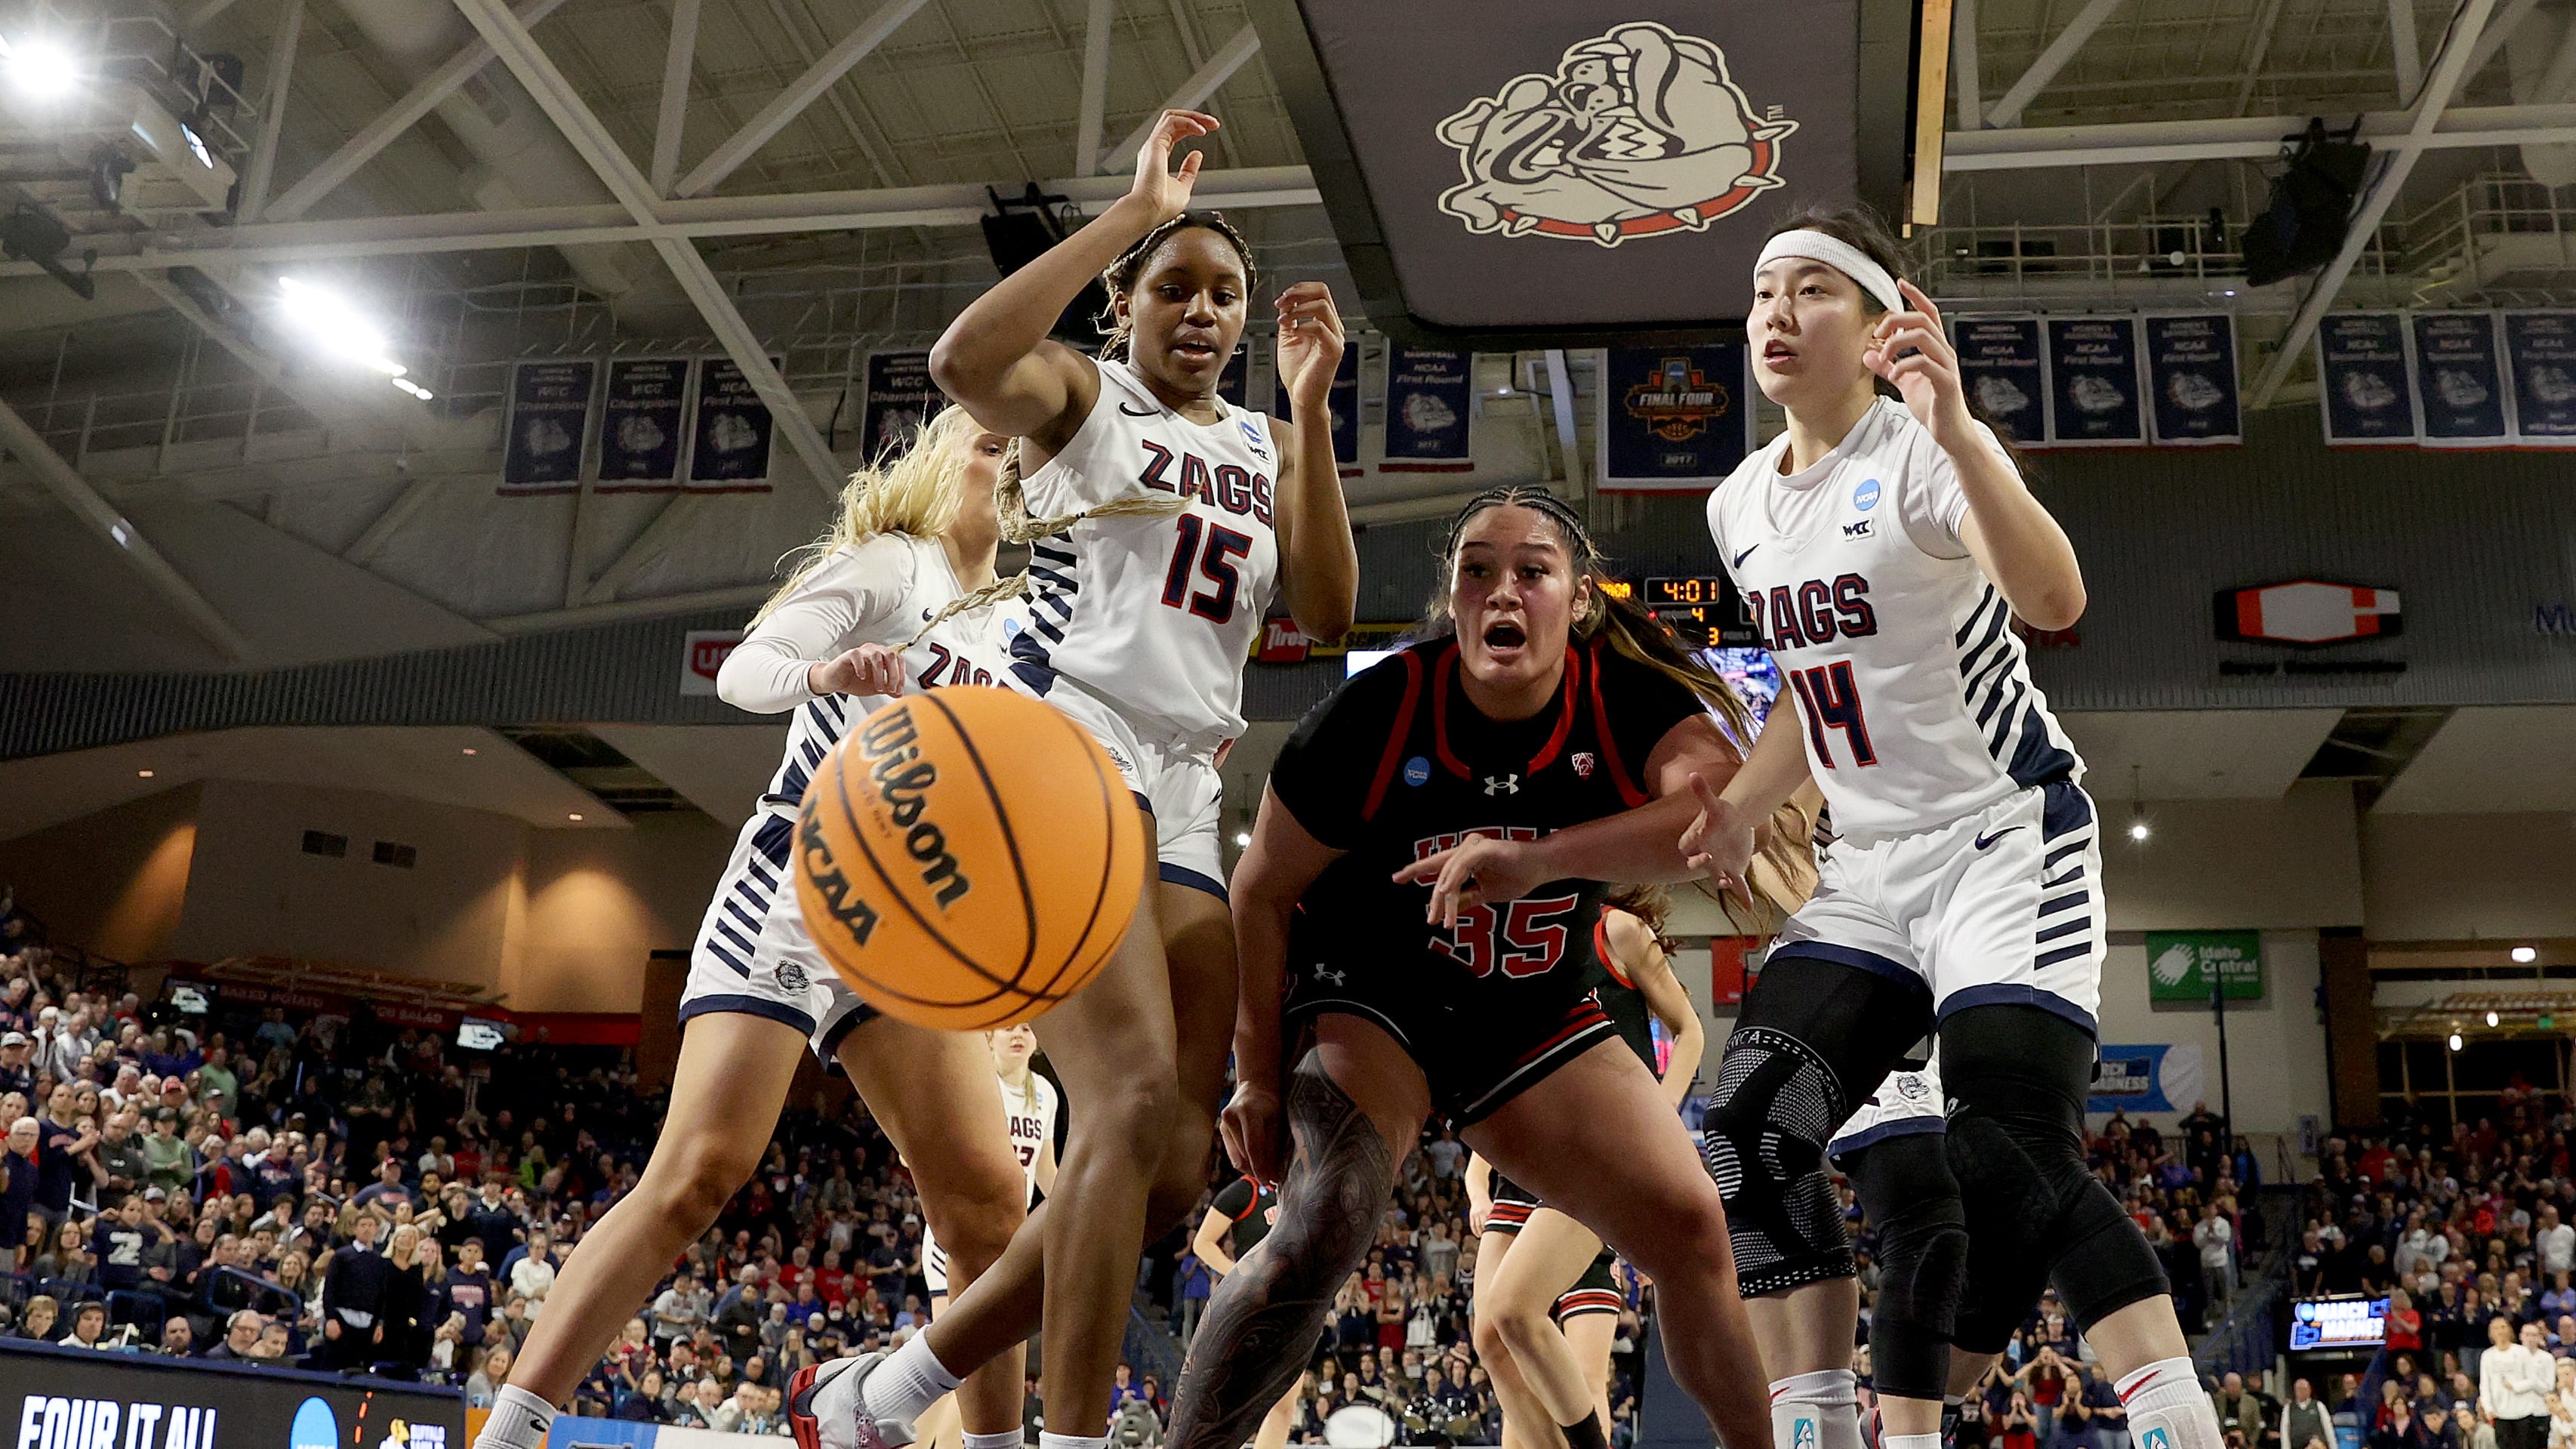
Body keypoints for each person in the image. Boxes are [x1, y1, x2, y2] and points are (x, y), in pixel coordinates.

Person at [796, 104, 1357, 1449]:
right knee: (1114, 1103)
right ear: (1127, 305)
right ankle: (1070, 1438)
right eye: (1177, 288)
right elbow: (959, 356)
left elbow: (1329, 617)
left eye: (1225, 292)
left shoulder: (1264, 447)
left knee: (1164, 1167)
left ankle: (895, 1385)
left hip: (1186, 783)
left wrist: (1314, 412)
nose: (1207, 311)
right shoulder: (1079, 397)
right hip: (1061, 753)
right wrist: (1132, 212)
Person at [1681, 205, 2223, 1449]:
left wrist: (1959, 427)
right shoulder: (1737, 504)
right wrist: (1739, 809)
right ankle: (1820, 1420)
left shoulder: (1921, 451)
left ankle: (2178, 1422)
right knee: (1746, 1138)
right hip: (1867, 865)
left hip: (2003, 833)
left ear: (1882, 331)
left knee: (1999, 1141)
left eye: (1813, 289)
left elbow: (2054, 596)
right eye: (1764, 289)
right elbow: (1815, 689)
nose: (1775, 310)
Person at [1161, 486, 1774, 1449]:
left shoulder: (1629, 702)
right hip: (1373, 996)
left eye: (1532, 570)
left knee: (1692, 1227)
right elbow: (1258, 890)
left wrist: (1534, 859)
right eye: (1477, 572)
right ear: (1452, 600)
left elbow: (1717, 820)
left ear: (1577, 601)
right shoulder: (1377, 710)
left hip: (1527, 1011)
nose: (1503, 590)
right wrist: (1256, 1077)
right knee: (1329, 1217)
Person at [472, 405, 1034, 1449]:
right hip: (805, 875)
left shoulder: (1016, 619)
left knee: (991, 1207)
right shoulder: (891, 563)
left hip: (913, 921)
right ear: (940, 454)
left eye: (1026, 439)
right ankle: (511, 1432)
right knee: (697, 1172)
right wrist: (822, 673)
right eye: (988, 432)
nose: (1010, 446)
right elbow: (744, 668)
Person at [1471, 886, 1706, 1449]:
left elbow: (1691, 1031)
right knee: (1490, 1339)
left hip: (1596, 1151)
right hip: (1524, 1160)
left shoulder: (1618, 929)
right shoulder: (1510, 943)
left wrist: (1658, 1118)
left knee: (1516, 1314)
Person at [914, 1025, 1064, 1449]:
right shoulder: (977, 1082)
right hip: (959, 1233)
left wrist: (1076, 1212)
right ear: (988, 1038)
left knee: (957, 1366)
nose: (1019, 1033)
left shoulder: (1046, 1093)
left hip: (1009, 1243)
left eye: (1030, 1027)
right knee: (956, 1362)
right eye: (1009, 1027)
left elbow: (1046, 1170)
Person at [1188, 1173, 1295, 1449]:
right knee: (1237, 1403)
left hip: (1293, 1305)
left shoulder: (1297, 1186)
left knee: (1285, 1406)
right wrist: (1240, 1274)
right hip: (1256, 1305)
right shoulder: (1243, 1191)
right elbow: (1203, 1243)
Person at [2484, 1318, 2554, 1449]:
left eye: (2503, 1327)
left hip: (2523, 1411)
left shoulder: (2522, 1352)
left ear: (2509, 1330)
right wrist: (2488, 1407)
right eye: (2496, 1328)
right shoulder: (2487, 1355)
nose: (2500, 1331)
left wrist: (2516, 1386)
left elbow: (2532, 1380)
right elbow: (2485, 1384)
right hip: (2500, 1412)